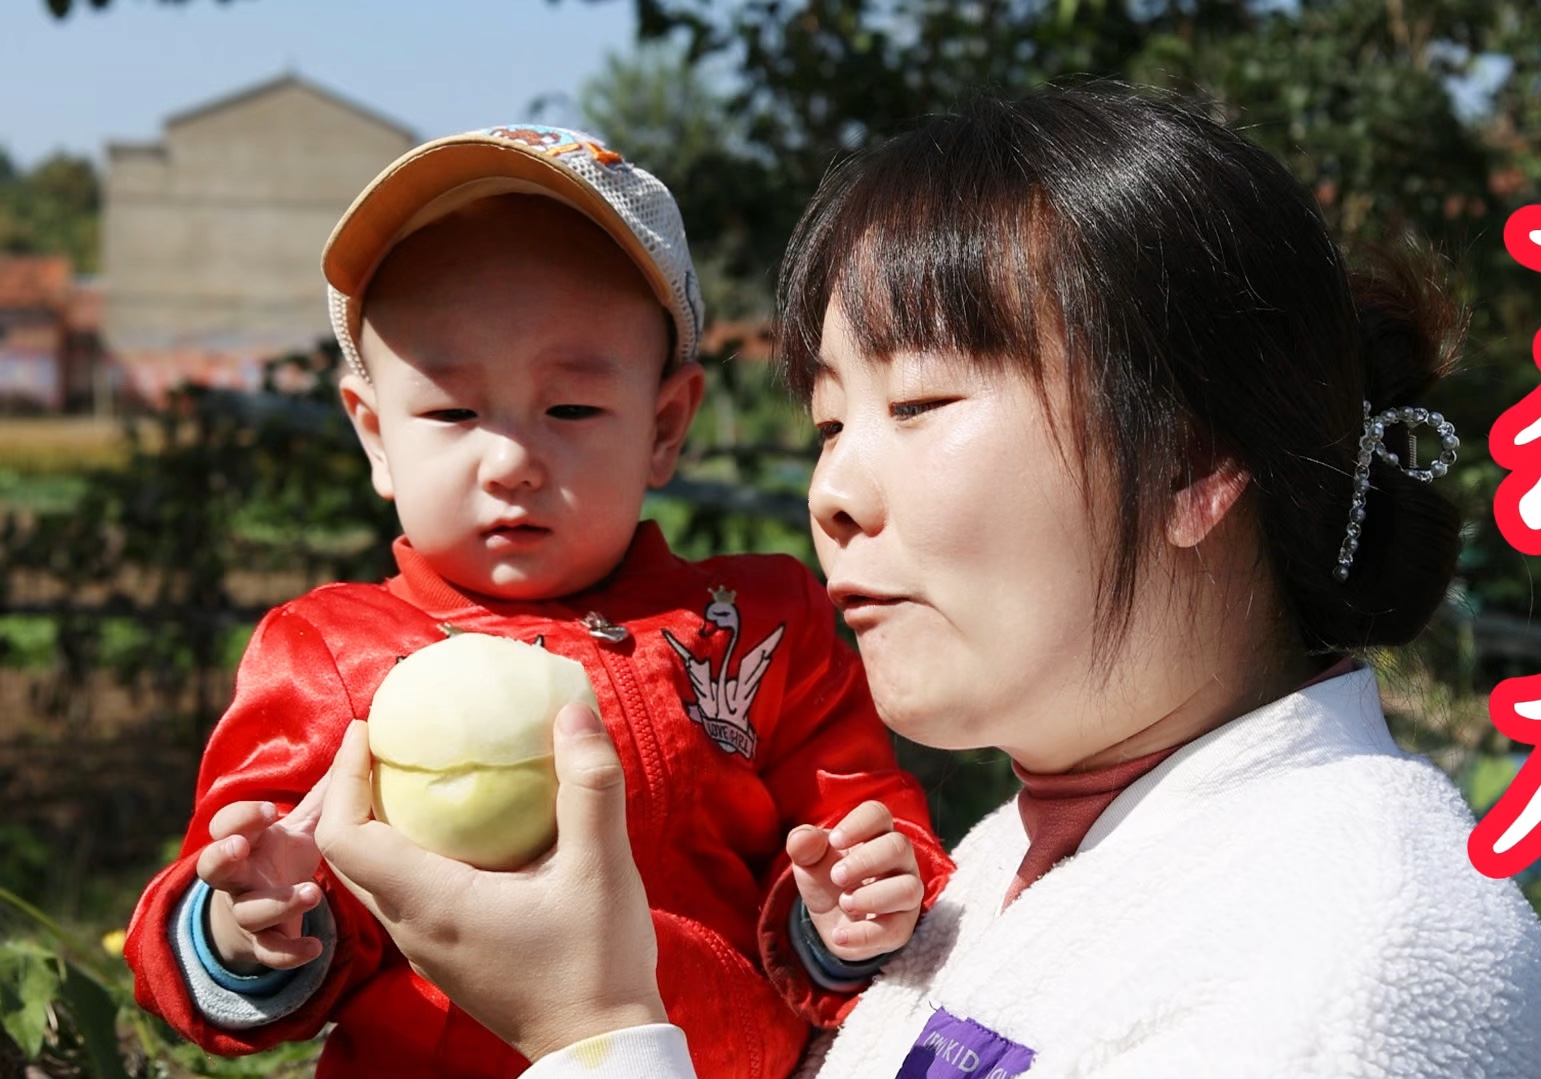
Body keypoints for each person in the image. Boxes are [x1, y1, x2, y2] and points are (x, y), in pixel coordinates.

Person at [313, 88, 1541, 1078]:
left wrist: (591, 1028)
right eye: (830, 421)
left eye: (915, 403)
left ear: (1188, 457)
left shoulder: (1342, 963)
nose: (832, 491)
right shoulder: (1004, 860)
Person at [123, 122, 954, 1079]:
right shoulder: (328, 655)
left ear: (664, 424)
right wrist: (244, 920)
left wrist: (851, 905)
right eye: (449, 412)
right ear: (375, 435)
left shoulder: (761, 623)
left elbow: (858, 823)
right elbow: (212, 932)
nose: (511, 460)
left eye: (569, 409)